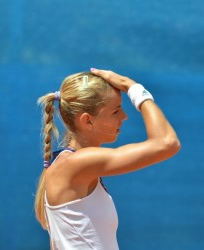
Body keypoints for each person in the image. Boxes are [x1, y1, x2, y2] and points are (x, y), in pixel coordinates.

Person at [34, 69, 181, 250]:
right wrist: (133, 87)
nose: (124, 116)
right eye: (116, 111)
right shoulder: (77, 163)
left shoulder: (70, 163)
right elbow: (167, 143)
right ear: (87, 121)